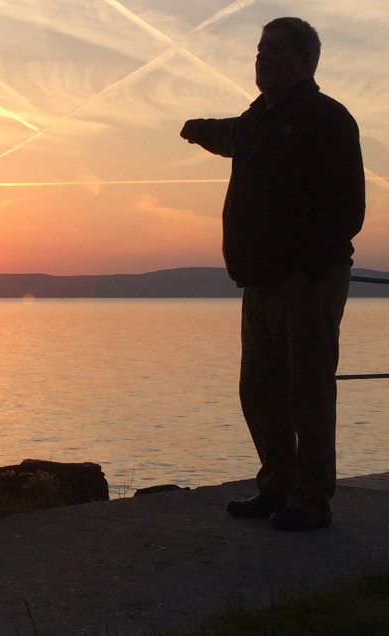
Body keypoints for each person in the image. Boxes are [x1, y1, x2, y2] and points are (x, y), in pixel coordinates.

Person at [180, 17, 365, 531]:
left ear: (305, 61)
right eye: (259, 49)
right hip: (259, 282)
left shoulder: (327, 118)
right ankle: (277, 486)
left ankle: (311, 499)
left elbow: (349, 206)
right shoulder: (257, 118)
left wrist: (309, 269)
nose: (261, 57)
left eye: (274, 50)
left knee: (307, 390)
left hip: (307, 280)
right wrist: (197, 131)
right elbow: (231, 136)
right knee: (258, 391)